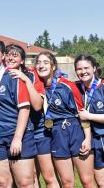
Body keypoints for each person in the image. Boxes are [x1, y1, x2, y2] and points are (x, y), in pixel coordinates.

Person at [35, 51, 95, 187]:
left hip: (75, 131)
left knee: (87, 180)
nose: (41, 65)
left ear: (53, 66)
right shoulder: (37, 88)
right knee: (67, 182)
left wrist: (87, 138)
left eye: (45, 62)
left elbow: (81, 113)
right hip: (56, 133)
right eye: (38, 62)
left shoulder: (68, 85)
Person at [0, 40, 36, 187]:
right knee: (2, 183)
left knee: (25, 183)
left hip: (17, 135)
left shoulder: (14, 76)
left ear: (3, 56)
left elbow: (25, 109)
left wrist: (17, 138)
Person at [5, 44, 59, 188]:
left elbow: (37, 105)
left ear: (22, 60)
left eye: (15, 55)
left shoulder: (32, 74)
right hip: (19, 131)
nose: (10, 58)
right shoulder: (1, 75)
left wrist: (26, 80)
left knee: (49, 177)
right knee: (30, 176)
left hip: (38, 131)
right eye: (8, 54)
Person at [74, 54, 103, 187]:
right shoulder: (75, 88)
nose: (83, 71)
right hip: (85, 138)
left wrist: (89, 116)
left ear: (94, 68)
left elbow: (85, 115)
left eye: (86, 68)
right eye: (79, 69)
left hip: (101, 138)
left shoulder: (102, 87)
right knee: (89, 181)